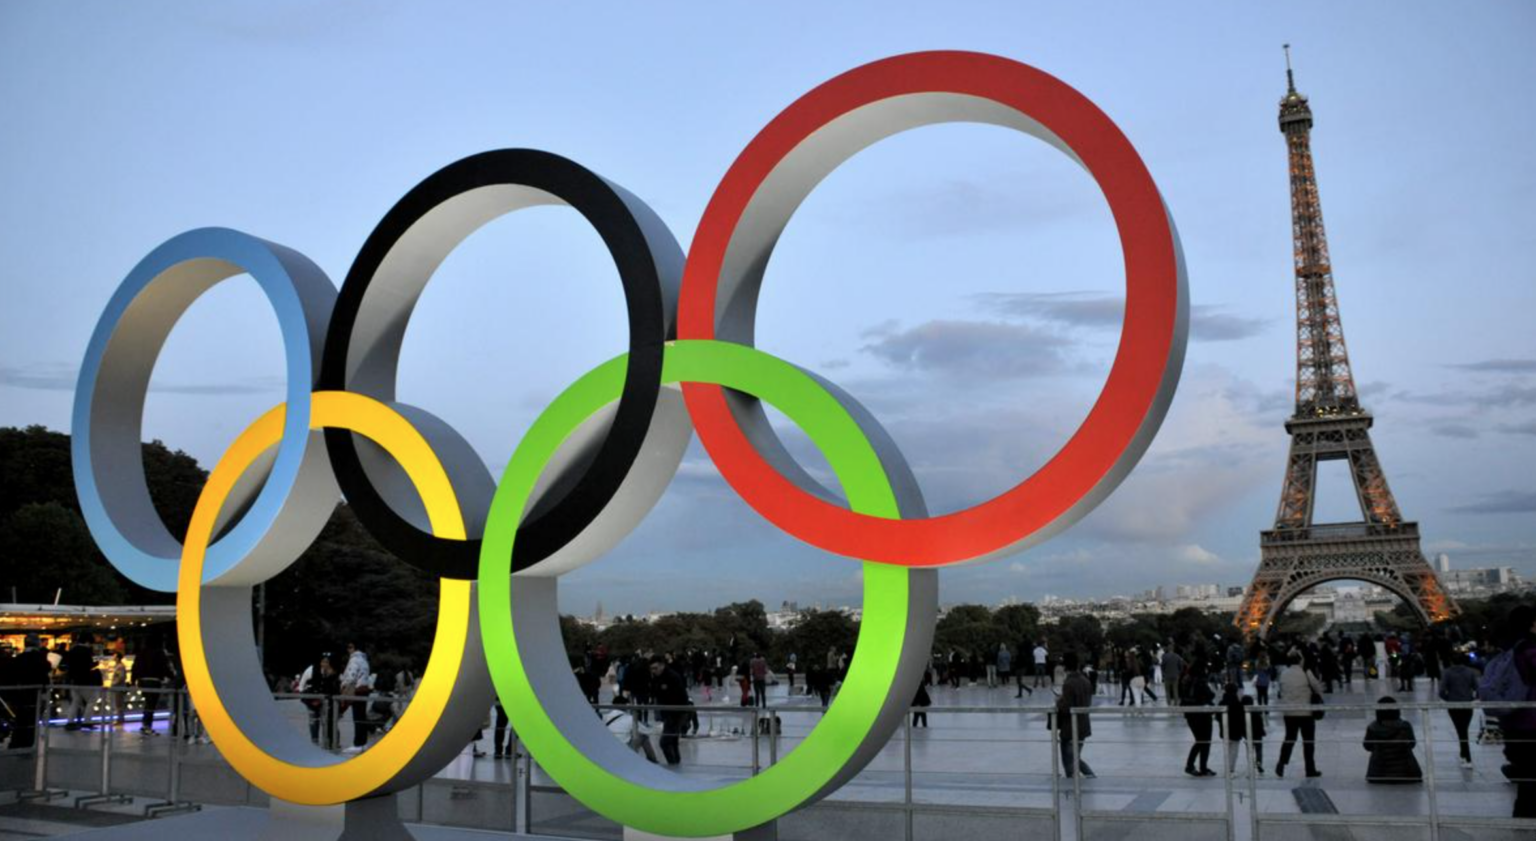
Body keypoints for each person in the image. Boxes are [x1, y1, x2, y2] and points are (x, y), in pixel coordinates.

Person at [1275, 650, 1325, 778]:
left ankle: (1281, 763)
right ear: (1300, 660)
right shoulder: (1305, 672)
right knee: (1308, 742)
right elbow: (1317, 688)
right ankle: (1310, 769)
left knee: (1289, 738)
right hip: (1305, 712)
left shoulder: (1283, 673)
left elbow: (1280, 690)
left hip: (1289, 713)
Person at [4, 635, 50, 749]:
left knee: (20, 719)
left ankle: (16, 742)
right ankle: (28, 744)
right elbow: (45, 670)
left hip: (21, 692)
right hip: (35, 693)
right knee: (32, 720)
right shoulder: (39, 657)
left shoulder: (20, 658)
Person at [1364, 697, 1422, 784]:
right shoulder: (1405, 726)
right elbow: (1412, 744)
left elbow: (1367, 746)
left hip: (1378, 774)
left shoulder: (1372, 728)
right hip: (1406, 774)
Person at [1055, 652, 1095, 779]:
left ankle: (1074, 783)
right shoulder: (1086, 681)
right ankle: (1090, 776)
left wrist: (1059, 701)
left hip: (1070, 728)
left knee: (1069, 761)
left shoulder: (1069, 683)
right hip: (1084, 725)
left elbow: (1066, 708)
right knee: (1075, 757)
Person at [1439, 652, 1479, 768]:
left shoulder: (1447, 672)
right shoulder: (1470, 672)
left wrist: (1448, 698)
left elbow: (1442, 691)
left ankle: (1466, 756)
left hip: (1453, 705)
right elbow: (1477, 688)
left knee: (1460, 730)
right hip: (1467, 704)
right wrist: (1472, 698)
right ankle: (1465, 755)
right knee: (1464, 729)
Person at [650, 657, 689, 765]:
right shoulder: (657, 677)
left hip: (676, 713)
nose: (653, 671)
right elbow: (655, 692)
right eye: (652, 669)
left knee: (665, 742)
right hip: (668, 713)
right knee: (673, 741)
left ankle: (672, 764)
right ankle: (676, 764)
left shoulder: (672, 676)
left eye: (655, 668)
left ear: (662, 665)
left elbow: (678, 696)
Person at [1183, 661, 1217, 777]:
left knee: (1201, 741)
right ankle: (1193, 766)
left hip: (1191, 715)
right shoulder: (1201, 682)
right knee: (1204, 741)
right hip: (1203, 715)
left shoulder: (1186, 681)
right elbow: (1210, 695)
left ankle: (1199, 767)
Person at [134, 637, 173, 736]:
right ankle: (147, 726)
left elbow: (135, 666)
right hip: (154, 681)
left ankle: (145, 725)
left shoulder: (141, 653)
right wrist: (171, 676)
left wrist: (133, 679)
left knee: (148, 703)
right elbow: (164, 667)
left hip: (142, 681)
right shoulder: (159, 653)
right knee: (151, 704)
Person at [604, 694, 658, 763]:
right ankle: (653, 761)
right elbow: (647, 731)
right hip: (624, 750)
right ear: (625, 706)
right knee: (644, 736)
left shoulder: (606, 717)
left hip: (610, 749)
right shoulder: (629, 719)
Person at [62, 634, 99, 730]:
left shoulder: (72, 650)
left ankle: (70, 722)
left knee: (75, 702)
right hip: (85, 681)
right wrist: (96, 664)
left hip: (74, 681)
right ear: (87, 642)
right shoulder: (86, 651)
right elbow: (88, 666)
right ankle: (87, 721)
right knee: (91, 700)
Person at [105, 651, 128, 726]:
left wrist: (114, 684)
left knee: (119, 704)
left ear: (118, 658)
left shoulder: (120, 666)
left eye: (114, 656)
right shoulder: (119, 665)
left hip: (119, 688)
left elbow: (121, 677)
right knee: (119, 704)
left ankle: (120, 720)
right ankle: (120, 719)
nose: (113, 657)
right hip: (118, 687)